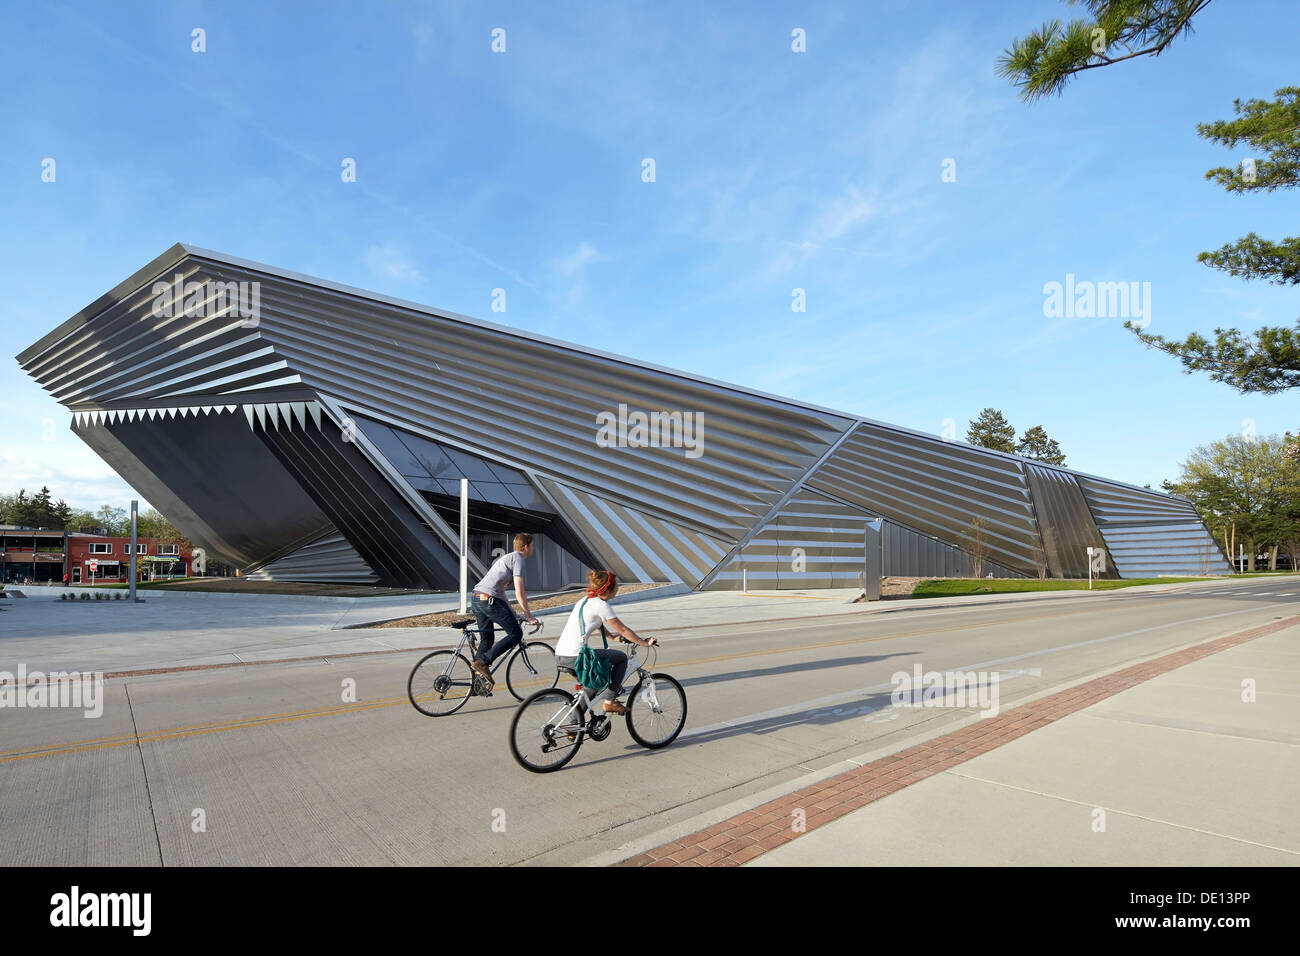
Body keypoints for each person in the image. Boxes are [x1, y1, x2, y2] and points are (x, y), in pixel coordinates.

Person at [555, 569, 657, 715]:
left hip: (561, 654)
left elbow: (594, 621)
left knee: (594, 683)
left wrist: (611, 637)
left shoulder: (585, 601)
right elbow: (623, 629)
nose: (618, 588)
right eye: (616, 586)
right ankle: (608, 703)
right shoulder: (602, 606)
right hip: (575, 656)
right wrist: (644, 642)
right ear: (609, 589)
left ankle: (575, 728)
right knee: (621, 658)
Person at [468, 533, 540, 686]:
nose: (533, 548)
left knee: (487, 640)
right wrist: (529, 615)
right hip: (488, 600)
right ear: (526, 547)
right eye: (532, 545)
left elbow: (501, 592)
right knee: (516, 633)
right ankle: (483, 662)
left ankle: (477, 684)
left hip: (476, 598)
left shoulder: (507, 558)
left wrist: (514, 613)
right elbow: (520, 591)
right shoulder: (518, 559)